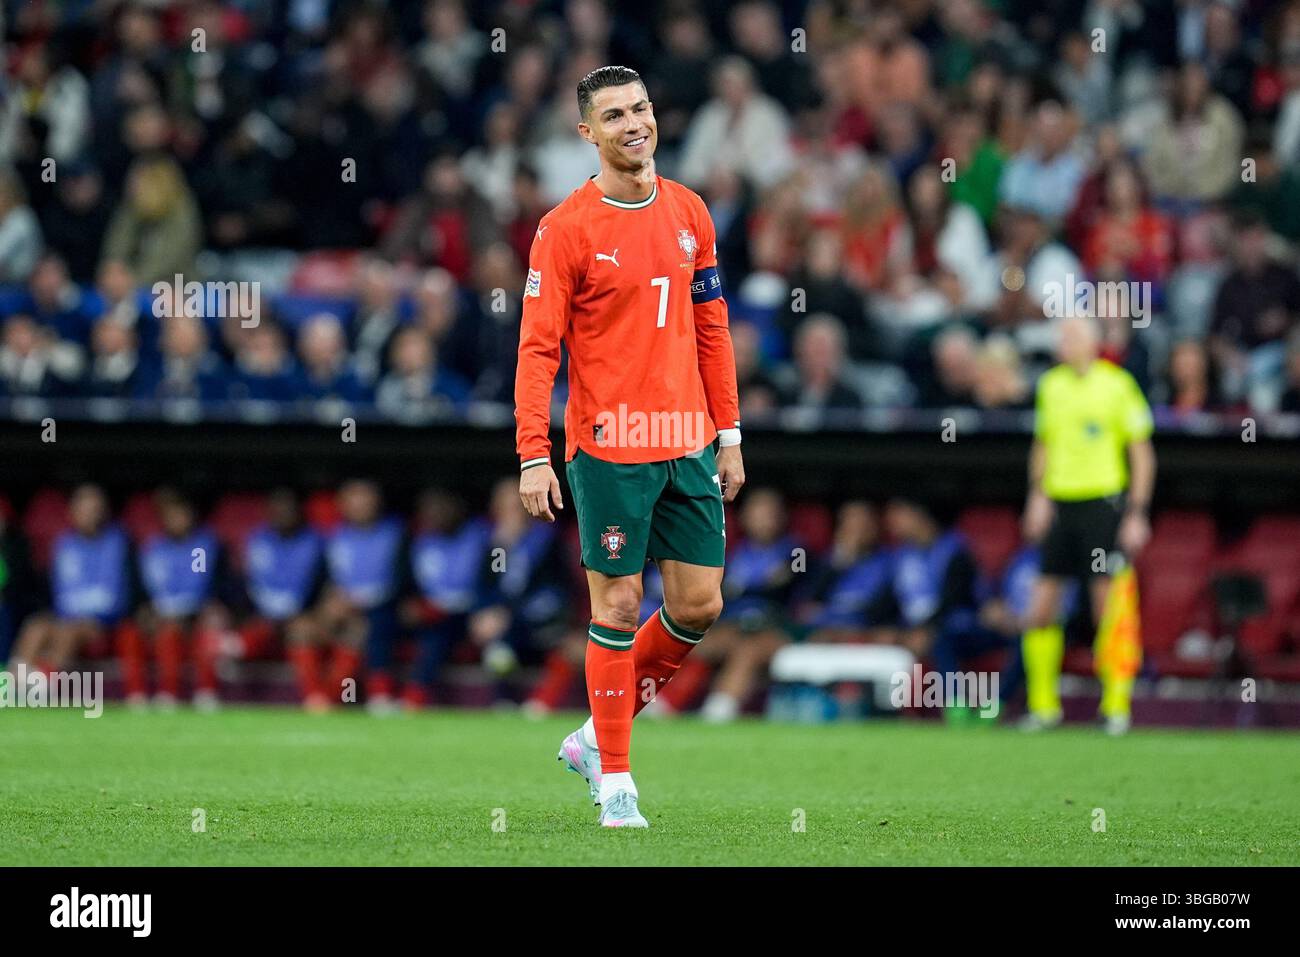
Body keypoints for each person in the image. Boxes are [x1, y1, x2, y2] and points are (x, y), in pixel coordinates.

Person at [514, 66, 744, 828]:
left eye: (640, 107)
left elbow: (711, 329)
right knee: (617, 602)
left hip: (687, 441)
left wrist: (730, 430)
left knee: (700, 603)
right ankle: (617, 779)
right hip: (608, 446)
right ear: (589, 134)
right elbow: (537, 349)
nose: (633, 123)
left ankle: (592, 734)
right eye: (613, 115)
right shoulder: (566, 229)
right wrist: (532, 452)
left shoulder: (690, 212)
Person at [1021, 316, 1156, 734]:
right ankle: (1043, 707)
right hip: (1062, 505)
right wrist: (1037, 496)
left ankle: (1115, 705)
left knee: (1106, 607)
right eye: (1062, 336)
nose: (1064, 342)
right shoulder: (1050, 386)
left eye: (1072, 336)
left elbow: (1142, 454)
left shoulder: (1117, 385)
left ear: (1094, 343)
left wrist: (1136, 513)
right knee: (1041, 605)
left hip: (1102, 505)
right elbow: (1042, 445)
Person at [117, 488, 224, 709]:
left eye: (181, 514)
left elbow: (200, 583)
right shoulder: (153, 548)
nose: (177, 520)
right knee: (130, 631)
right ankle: (136, 695)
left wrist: (182, 611)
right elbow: (144, 589)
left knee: (174, 631)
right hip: (160, 614)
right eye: (171, 515)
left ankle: (184, 693)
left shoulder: (200, 548)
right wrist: (146, 609)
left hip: (191, 616)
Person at [10, 485, 130, 675]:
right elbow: (61, 592)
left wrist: (91, 615)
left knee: (68, 632)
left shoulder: (118, 542)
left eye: (95, 510)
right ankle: (11, 686)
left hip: (102, 623)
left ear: (104, 512)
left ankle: (42, 686)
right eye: (84, 510)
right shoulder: (64, 544)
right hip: (66, 617)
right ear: (72, 512)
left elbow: (120, 596)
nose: (90, 516)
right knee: (35, 626)